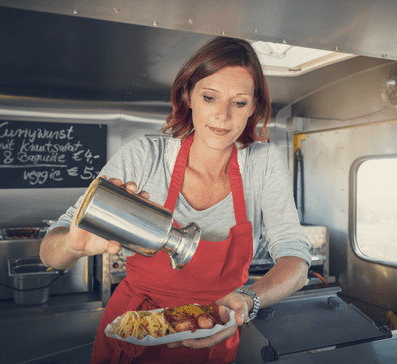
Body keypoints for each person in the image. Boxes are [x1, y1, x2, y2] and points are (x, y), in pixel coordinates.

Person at [39, 36, 311, 364]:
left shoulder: (263, 162)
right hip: (135, 329)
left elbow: (295, 259)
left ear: (254, 107)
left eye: (239, 103)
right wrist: (74, 245)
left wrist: (248, 299)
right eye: (210, 97)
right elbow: (50, 252)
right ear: (189, 96)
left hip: (215, 325)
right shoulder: (144, 156)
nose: (223, 117)